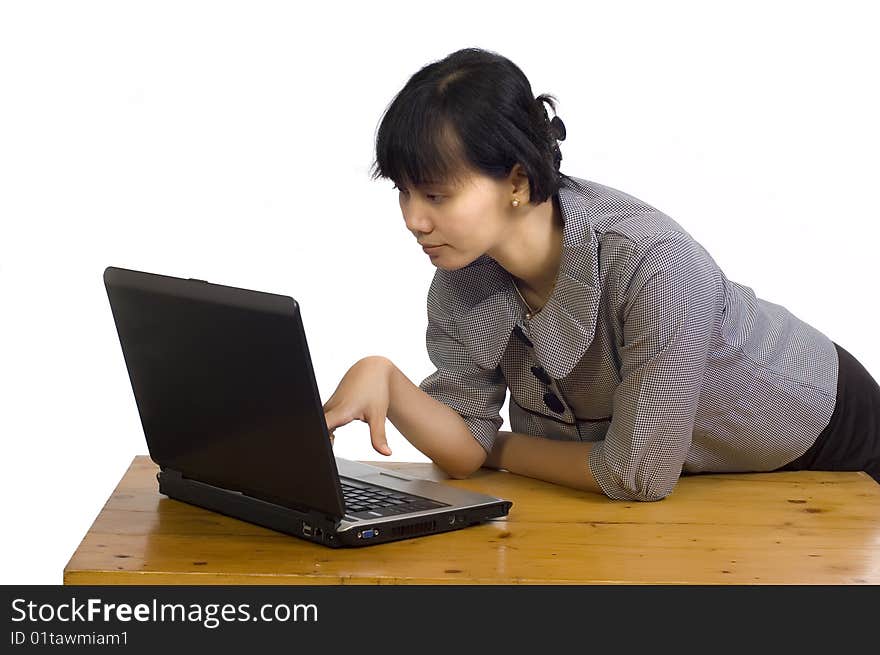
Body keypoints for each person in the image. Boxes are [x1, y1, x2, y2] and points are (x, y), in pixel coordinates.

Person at [322, 47, 880, 501]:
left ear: (517, 183)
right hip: (717, 473)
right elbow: (465, 446)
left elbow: (636, 475)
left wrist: (500, 446)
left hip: (832, 437)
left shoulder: (649, 261)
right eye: (404, 192)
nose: (414, 220)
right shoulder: (460, 280)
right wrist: (390, 384)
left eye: (437, 195)